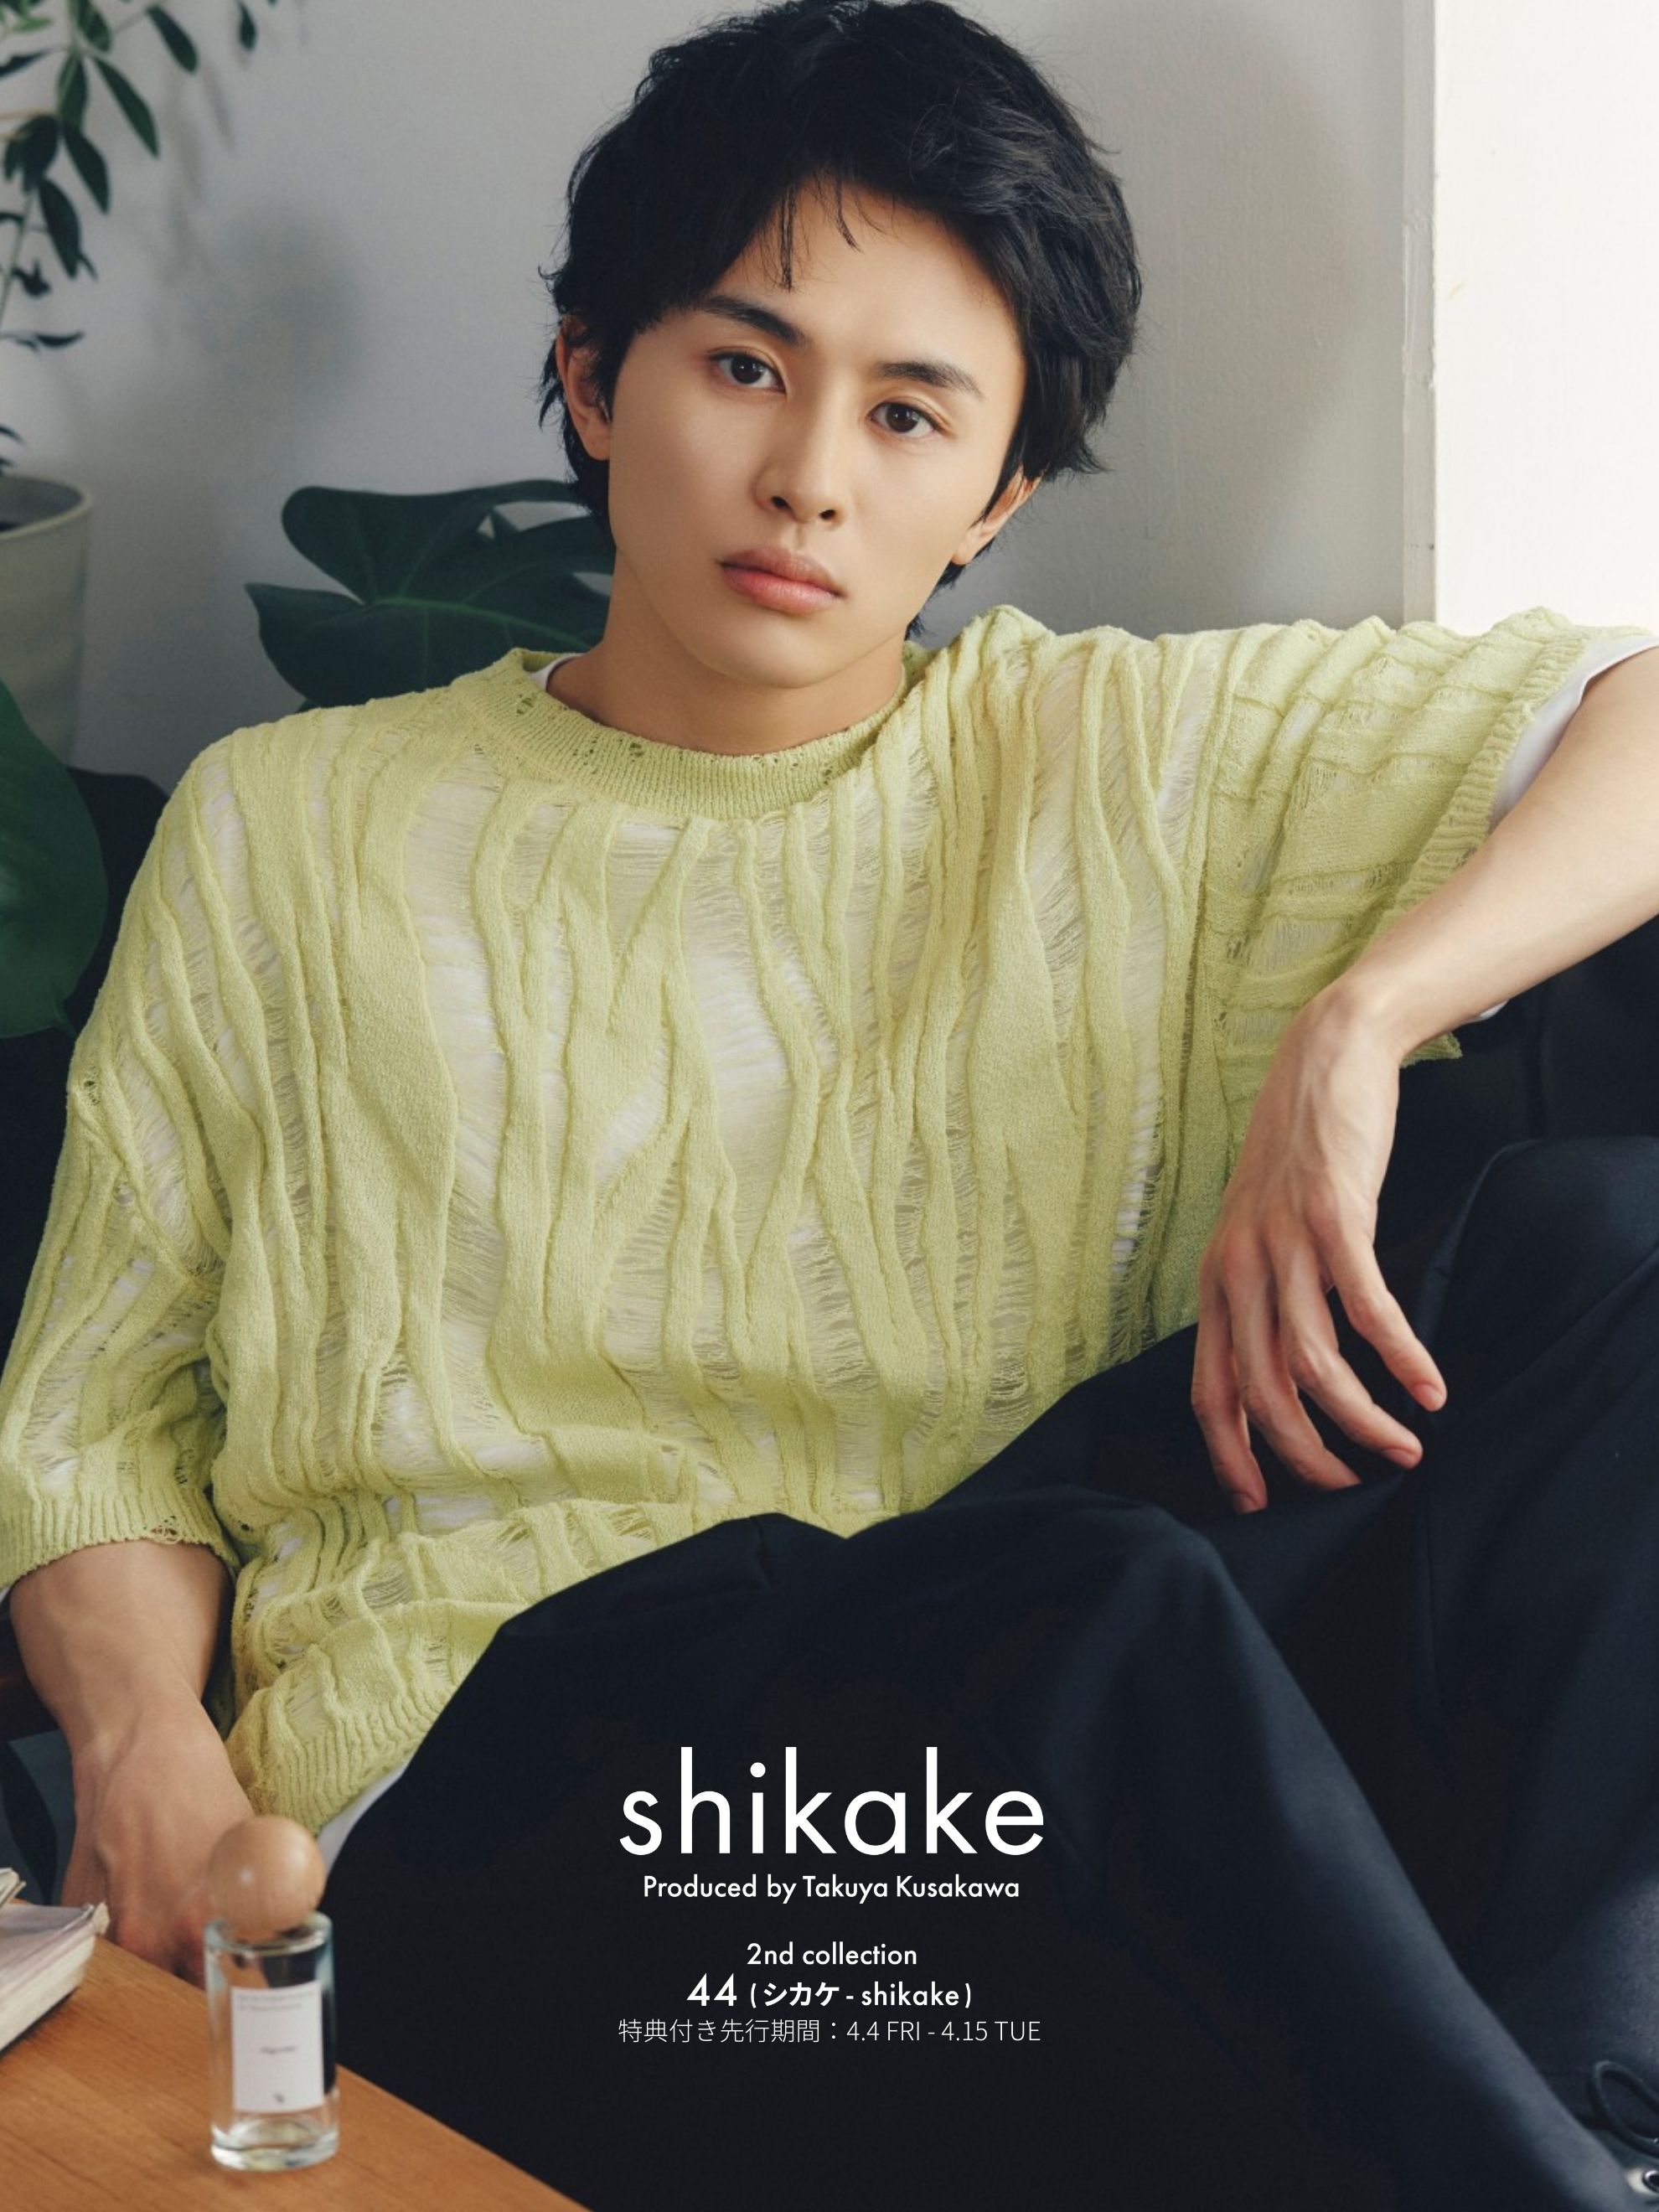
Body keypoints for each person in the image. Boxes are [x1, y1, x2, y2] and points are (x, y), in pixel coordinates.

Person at [4, 2, 1659, 2204]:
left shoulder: (1124, 763)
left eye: (907, 414)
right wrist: (148, 1751)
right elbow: (100, 1401)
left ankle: (1590, 2119)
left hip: (985, 1783)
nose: (809, 476)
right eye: (743, 365)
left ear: (997, 496)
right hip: (527, 1819)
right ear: (594, 375)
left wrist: (1361, 1022)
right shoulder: (286, 825)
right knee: (1079, 1610)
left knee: (1603, 1256)